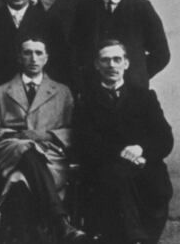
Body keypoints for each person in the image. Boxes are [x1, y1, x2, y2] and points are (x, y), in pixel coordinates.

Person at [74, 40, 173, 244]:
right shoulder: (86, 101)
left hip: (144, 166)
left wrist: (140, 150)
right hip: (105, 170)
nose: (112, 65)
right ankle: (135, 239)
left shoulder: (144, 97)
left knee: (154, 189)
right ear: (96, 65)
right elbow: (87, 144)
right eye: (105, 60)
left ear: (126, 64)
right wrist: (123, 153)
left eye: (117, 59)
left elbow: (164, 138)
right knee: (115, 179)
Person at [0, 36, 85, 243]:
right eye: (27, 53)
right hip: (13, 153)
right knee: (25, 148)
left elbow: (73, 131)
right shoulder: (1, 91)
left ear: (47, 58)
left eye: (39, 53)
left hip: (50, 159)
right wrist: (17, 136)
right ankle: (60, 222)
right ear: (19, 58)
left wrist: (46, 135)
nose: (33, 58)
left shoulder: (62, 92)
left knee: (19, 185)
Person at [70, 0, 169, 91]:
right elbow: (74, 51)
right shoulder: (84, 8)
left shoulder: (141, 7)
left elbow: (161, 54)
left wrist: (137, 74)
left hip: (133, 91)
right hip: (93, 91)